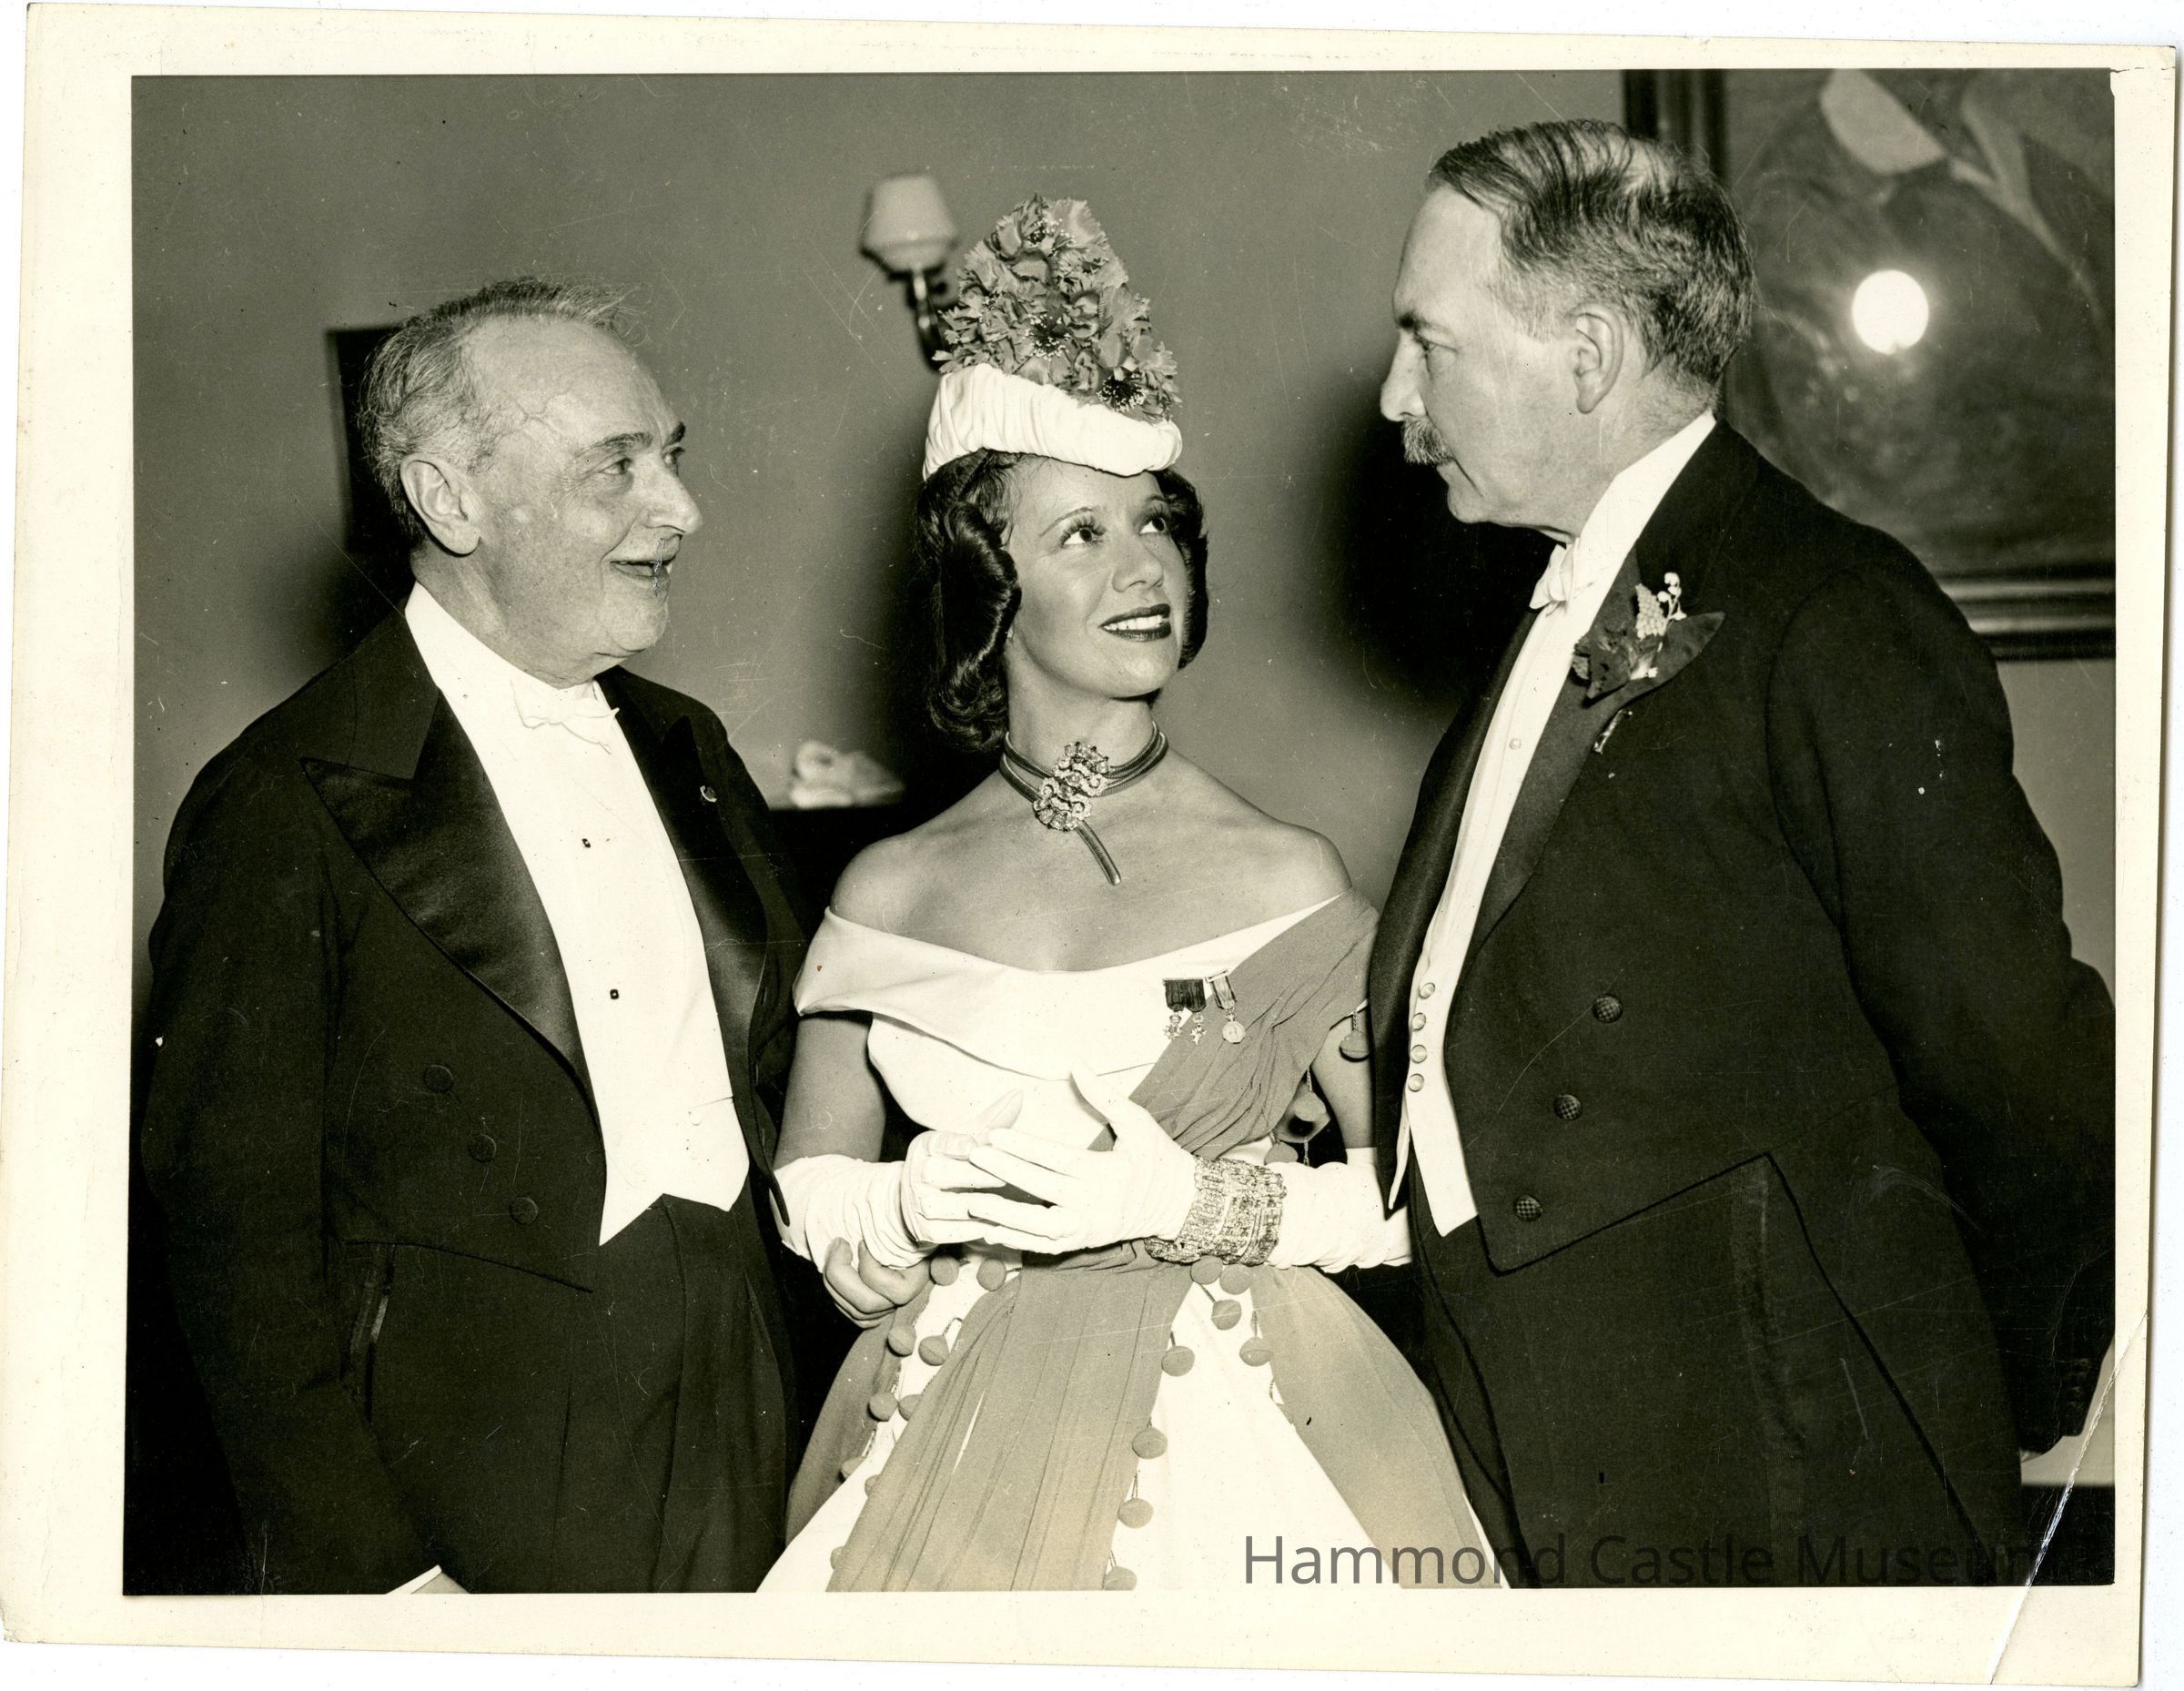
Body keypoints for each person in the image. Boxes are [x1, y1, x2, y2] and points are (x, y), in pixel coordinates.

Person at [1370, 121, 2114, 1586]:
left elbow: (2016, 1057)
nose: (1397, 394)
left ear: (1588, 356)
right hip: (1540, 1412)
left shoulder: (1833, 612)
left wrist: (2000, 1379)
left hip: (1779, 1454)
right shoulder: (1553, 605)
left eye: (1429, 344)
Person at [761, 197, 1487, 1592]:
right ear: (986, 584)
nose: (1146, 566)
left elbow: (1407, 1201)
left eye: (1158, 522)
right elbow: (811, 1186)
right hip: (951, 1436)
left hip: (1248, 1425)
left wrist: (1196, 1201)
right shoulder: (885, 887)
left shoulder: (1284, 871)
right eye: (1081, 534)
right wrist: (892, 1213)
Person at [139, 279, 811, 1593]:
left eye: (671, 456)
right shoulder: (282, 798)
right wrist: (380, 1576)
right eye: (616, 466)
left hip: (750, 1394)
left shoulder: (691, 748)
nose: (680, 508)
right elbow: (234, 1243)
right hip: (473, 1475)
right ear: (449, 502)